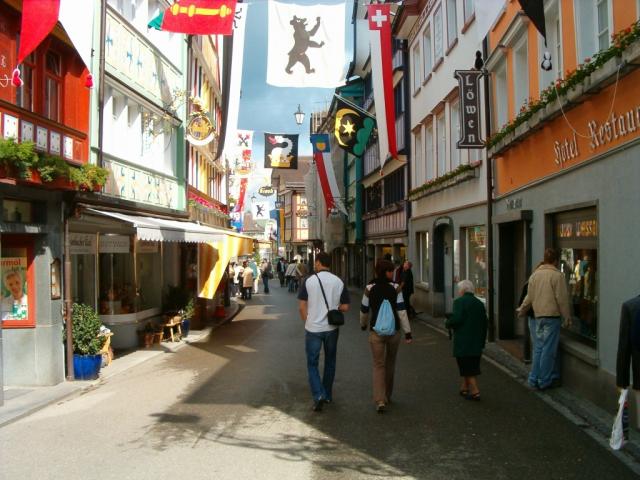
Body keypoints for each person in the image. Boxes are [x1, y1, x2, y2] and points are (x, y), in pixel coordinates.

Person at [298, 251, 350, 412]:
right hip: (331, 329)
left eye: (316, 262)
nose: (315, 264)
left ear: (319, 263)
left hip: (313, 328)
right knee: (330, 361)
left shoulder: (308, 281)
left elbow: (301, 306)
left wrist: (308, 321)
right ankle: (327, 394)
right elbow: (346, 307)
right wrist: (335, 307)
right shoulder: (339, 281)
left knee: (312, 363)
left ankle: (318, 394)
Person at [360, 259, 413, 413]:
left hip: (376, 331)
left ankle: (380, 400)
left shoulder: (370, 287)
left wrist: (363, 324)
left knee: (378, 365)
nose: (392, 273)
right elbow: (402, 311)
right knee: (390, 363)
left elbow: (364, 309)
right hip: (394, 331)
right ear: (385, 272)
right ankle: (387, 396)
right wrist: (408, 332)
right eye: (390, 271)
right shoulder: (396, 288)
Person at [517, 248, 572, 391]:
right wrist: (567, 317)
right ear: (555, 261)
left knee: (538, 349)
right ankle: (544, 380)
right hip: (552, 317)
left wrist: (522, 310)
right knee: (548, 350)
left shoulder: (535, 275)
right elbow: (562, 299)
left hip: (538, 315)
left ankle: (533, 378)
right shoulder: (557, 276)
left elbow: (529, 296)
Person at [445, 280, 488, 401]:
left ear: (463, 290)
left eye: (459, 290)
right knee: (472, 364)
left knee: (465, 365)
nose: (459, 292)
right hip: (477, 341)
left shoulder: (459, 302)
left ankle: (475, 391)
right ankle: (464, 388)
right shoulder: (479, 303)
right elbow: (485, 323)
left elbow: (457, 319)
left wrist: (448, 323)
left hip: (464, 340)